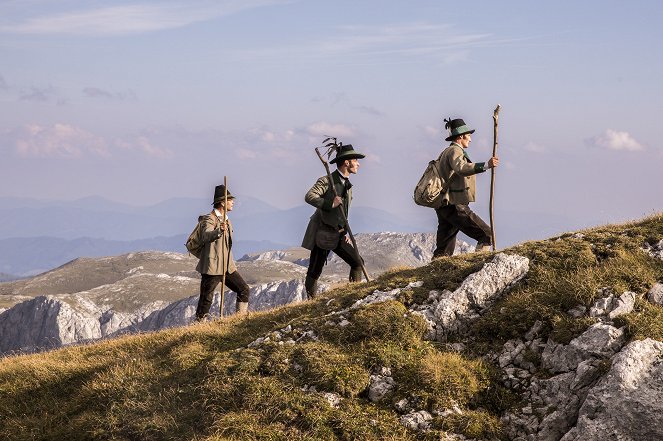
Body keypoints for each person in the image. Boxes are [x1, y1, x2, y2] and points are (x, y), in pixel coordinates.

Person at [301, 144, 365, 298]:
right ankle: (312, 302)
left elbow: (342, 212)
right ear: (346, 162)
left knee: (357, 262)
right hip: (322, 232)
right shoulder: (327, 180)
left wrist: (343, 229)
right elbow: (309, 196)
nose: (358, 164)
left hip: (338, 233)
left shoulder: (347, 184)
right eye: (355, 160)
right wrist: (330, 203)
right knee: (315, 270)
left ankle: (354, 296)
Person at [433, 117, 499, 257]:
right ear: (461, 136)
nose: (470, 139)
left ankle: (434, 272)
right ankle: (479, 264)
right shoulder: (454, 151)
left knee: (444, 249)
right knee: (487, 234)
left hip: (444, 204)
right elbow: (461, 168)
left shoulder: (447, 152)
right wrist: (486, 165)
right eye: (469, 136)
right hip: (455, 204)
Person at [195, 184, 250, 320]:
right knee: (206, 299)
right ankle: (199, 325)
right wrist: (219, 230)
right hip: (213, 267)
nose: (233, 202)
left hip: (226, 266)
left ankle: (240, 319)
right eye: (230, 200)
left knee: (244, 289)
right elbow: (206, 235)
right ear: (222, 202)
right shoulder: (210, 219)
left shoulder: (226, 220)